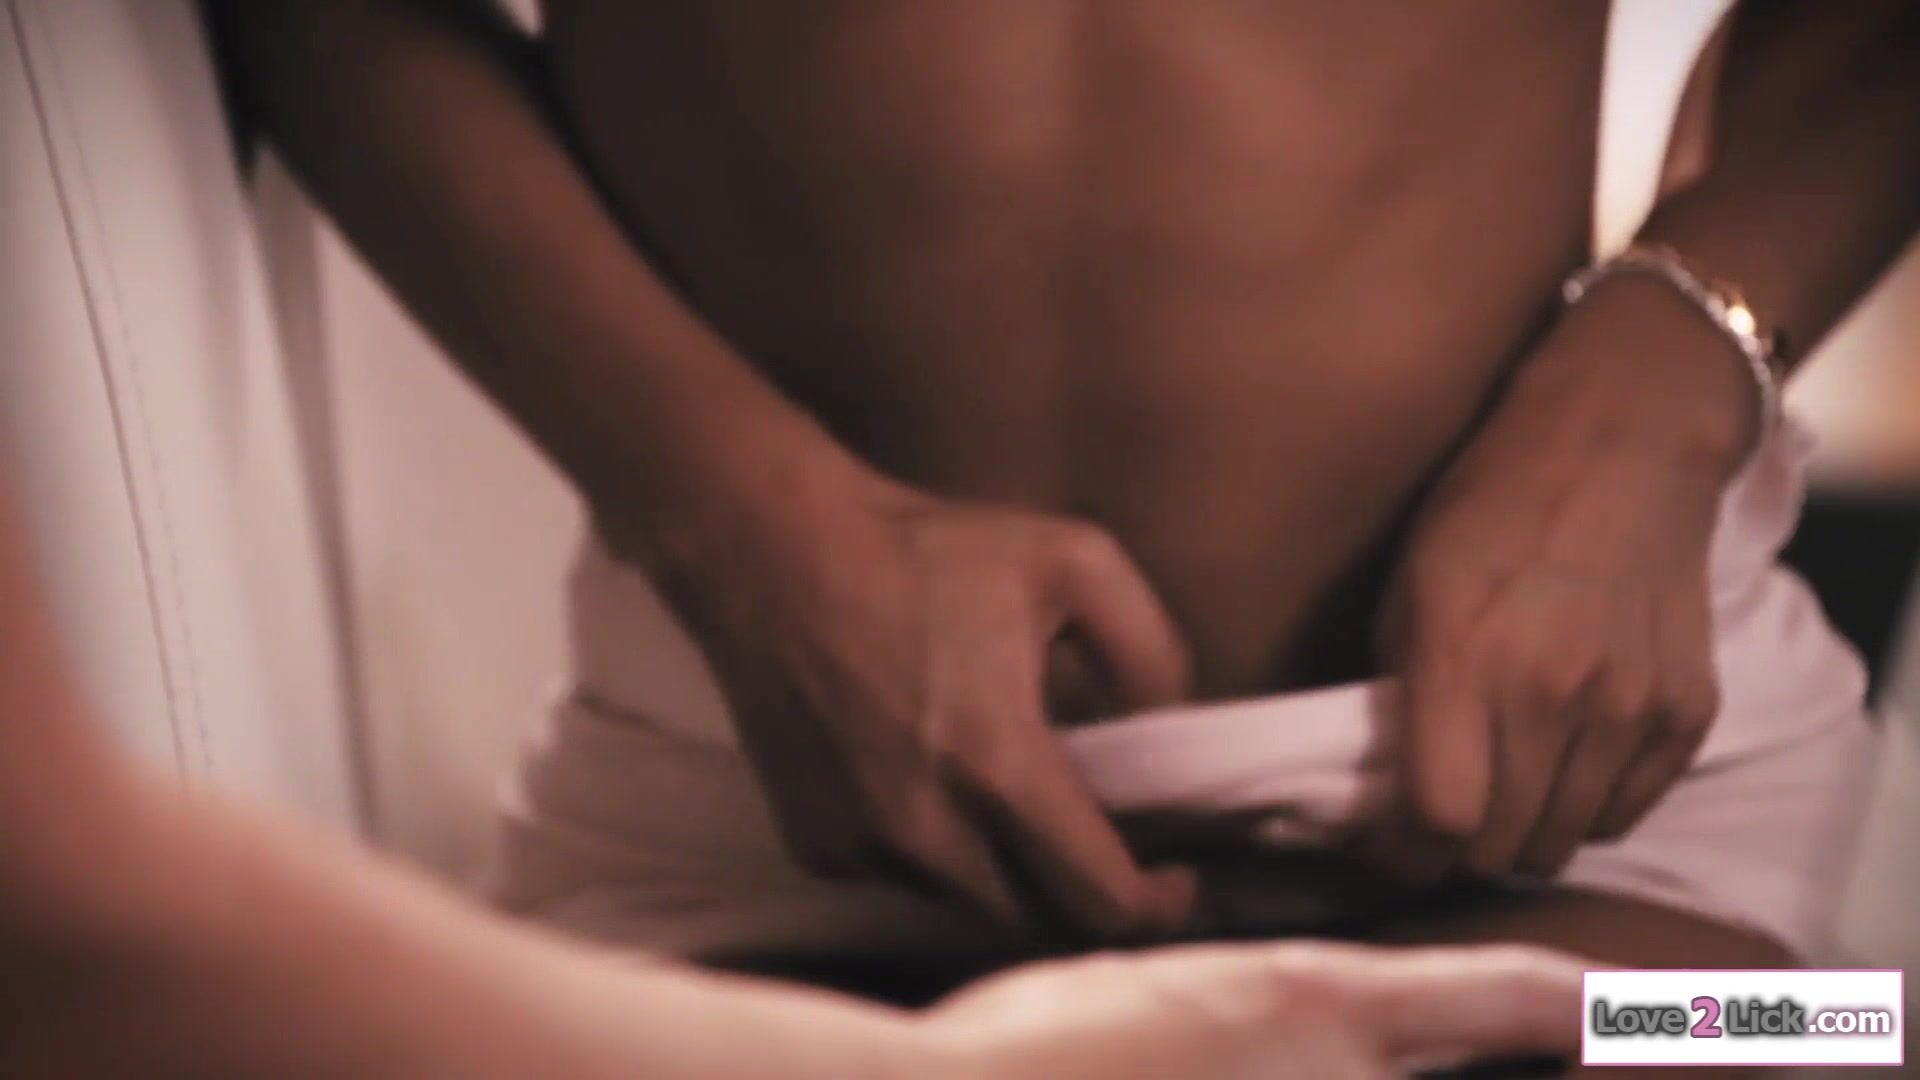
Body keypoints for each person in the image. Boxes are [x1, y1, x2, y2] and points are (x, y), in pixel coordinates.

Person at [214, 0, 1917, 1000]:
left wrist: (1652, 404)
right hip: (763, 825)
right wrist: (734, 520)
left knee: (1835, 1032)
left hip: (1587, 841)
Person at [0, 462, 1589, 1076]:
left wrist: (1688, 336)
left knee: (1743, 1026)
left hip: (1538, 796)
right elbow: (57, 913)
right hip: (735, 803)